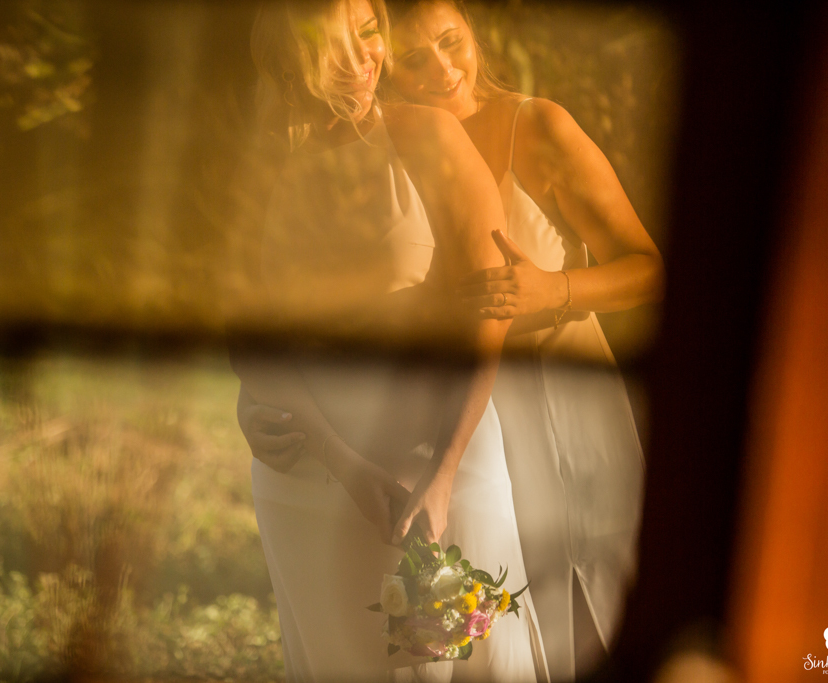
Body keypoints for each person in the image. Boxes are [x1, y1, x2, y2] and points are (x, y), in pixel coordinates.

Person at [241, 1, 665, 679]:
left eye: (451, 41)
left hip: (554, 392)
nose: (441, 69)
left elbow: (648, 268)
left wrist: (555, 290)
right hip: (465, 399)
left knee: (585, 595)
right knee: (480, 615)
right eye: (414, 57)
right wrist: (267, 397)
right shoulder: (380, 147)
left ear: (472, 32)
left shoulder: (536, 126)